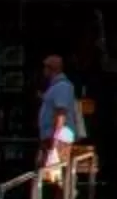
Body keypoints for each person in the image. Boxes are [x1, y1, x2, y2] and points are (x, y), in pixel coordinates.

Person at [36, 54, 86, 182]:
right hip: (51, 135)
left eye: (45, 68)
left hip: (60, 136)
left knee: (57, 170)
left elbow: (61, 114)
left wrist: (55, 139)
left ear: (51, 69)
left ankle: (63, 198)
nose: (43, 71)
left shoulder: (62, 86)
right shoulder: (54, 87)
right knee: (51, 171)